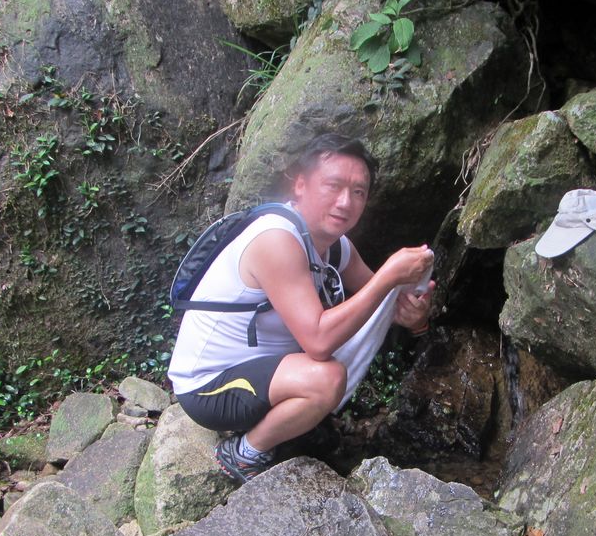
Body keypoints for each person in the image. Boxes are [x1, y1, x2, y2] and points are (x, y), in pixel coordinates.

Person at [167, 134, 435, 482]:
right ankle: (243, 452)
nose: (345, 202)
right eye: (333, 186)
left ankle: (293, 426)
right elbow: (320, 341)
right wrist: (388, 276)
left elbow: (385, 304)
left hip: (266, 373)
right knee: (326, 379)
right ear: (300, 185)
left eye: (358, 192)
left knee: (333, 359)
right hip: (208, 387)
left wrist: (417, 318)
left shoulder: (336, 247)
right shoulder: (276, 239)